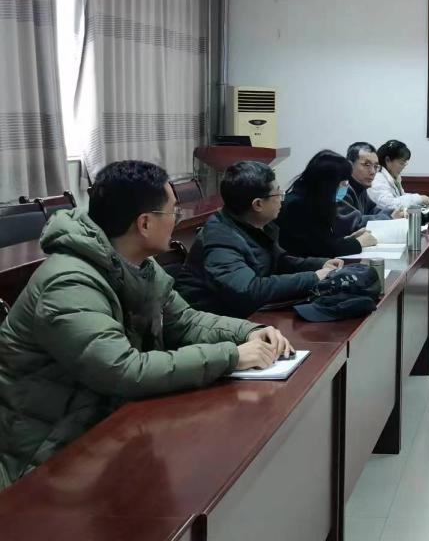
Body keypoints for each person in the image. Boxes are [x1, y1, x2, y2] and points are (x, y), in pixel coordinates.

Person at [0, 160, 292, 489]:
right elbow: (123, 371)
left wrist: (248, 332)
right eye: (173, 212)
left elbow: (185, 321)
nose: (177, 219)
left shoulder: (139, 265)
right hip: (45, 457)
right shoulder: (69, 283)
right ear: (144, 223)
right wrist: (232, 356)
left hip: (101, 430)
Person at [175, 161, 344, 318]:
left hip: (245, 314)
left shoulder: (255, 224)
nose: (282, 198)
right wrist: (313, 278)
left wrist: (320, 265)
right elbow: (248, 290)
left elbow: (279, 261)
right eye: (277, 193)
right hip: (213, 322)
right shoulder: (219, 239)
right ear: (258, 204)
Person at [277, 150, 378, 257]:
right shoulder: (297, 206)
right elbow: (320, 249)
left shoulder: (316, 201)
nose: (346, 186)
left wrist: (349, 239)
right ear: (328, 183)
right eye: (343, 182)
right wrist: (358, 242)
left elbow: (324, 240)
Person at [336, 141, 405, 235]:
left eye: (376, 166)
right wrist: (389, 217)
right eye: (367, 165)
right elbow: (353, 225)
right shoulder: (341, 189)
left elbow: (373, 211)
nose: (373, 172)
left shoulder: (360, 187)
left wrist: (393, 212)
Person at [368, 139, 429, 212]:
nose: (403, 166)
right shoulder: (377, 179)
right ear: (387, 160)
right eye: (401, 163)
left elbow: (400, 197)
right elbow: (389, 205)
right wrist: (418, 198)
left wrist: (420, 199)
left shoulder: (393, 176)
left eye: (405, 163)